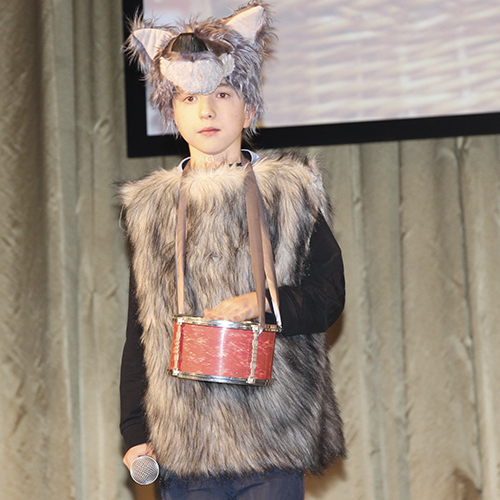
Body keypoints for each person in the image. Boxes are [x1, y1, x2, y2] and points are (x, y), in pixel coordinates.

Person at [120, 2, 346, 499]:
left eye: (222, 94)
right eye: (189, 98)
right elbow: (142, 327)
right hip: (185, 442)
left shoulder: (290, 191)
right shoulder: (152, 207)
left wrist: (262, 303)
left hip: (271, 436)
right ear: (172, 111)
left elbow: (328, 296)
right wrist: (135, 432)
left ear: (249, 107)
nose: (206, 111)